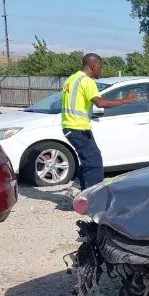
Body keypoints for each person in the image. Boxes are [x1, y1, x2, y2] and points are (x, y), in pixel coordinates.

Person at [61, 53, 139, 197]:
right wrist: (125, 100)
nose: (101, 70)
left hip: (70, 126)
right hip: (78, 127)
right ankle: (94, 197)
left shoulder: (71, 79)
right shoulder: (87, 81)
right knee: (94, 162)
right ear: (93, 66)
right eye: (100, 66)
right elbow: (100, 103)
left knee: (88, 159)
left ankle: (79, 190)